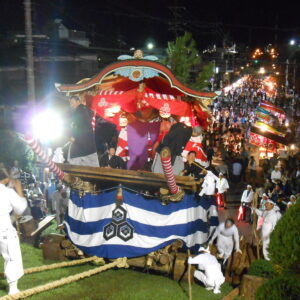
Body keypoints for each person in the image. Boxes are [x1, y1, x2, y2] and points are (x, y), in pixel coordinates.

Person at [0, 170, 27, 295]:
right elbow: (20, 209)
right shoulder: (7, 192)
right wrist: (19, 189)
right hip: (4, 229)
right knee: (12, 257)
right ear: (5, 180)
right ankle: (13, 289)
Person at [68, 95, 99, 167]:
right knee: (93, 166)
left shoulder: (79, 111)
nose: (71, 105)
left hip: (80, 143)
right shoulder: (86, 110)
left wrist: (74, 136)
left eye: (72, 102)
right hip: (89, 144)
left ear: (78, 102)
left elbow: (78, 125)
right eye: (70, 103)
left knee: (73, 160)